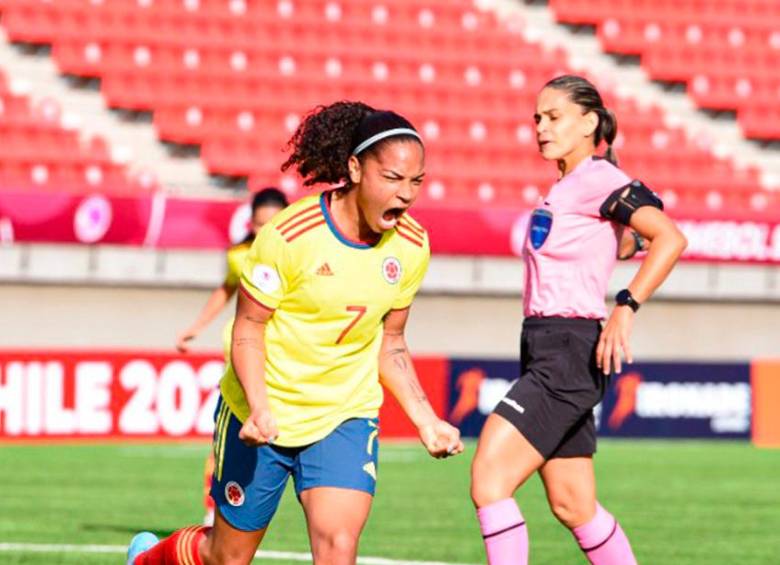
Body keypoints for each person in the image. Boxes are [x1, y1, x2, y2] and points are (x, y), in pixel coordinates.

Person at [127, 101, 464, 565]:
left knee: (338, 547)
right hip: (264, 412)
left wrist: (427, 419)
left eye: (416, 182)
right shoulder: (290, 236)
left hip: (344, 414)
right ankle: (147, 559)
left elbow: (392, 342)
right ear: (355, 169)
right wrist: (260, 409)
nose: (406, 195)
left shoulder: (412, 245)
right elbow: (248, 328)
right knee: (225, 556)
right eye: (392, 178)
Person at [470, 75, 687, 565]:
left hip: (568, 351)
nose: (542, 128)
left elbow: (670, 238)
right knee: (573, 504)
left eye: (554, 116)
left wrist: (626, 307)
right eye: (537, 119)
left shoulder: (599, 178)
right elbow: (628, 240)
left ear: (589, 121)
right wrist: (623, 244)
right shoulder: (571, 187)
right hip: (548, 346)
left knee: (489, 478)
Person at [176, 187, 289, 527]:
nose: (265, 230)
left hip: (288, 363)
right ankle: (215, 508)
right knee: (227, 437)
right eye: (259, 223)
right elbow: (226, 289)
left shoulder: (302, 256)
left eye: (273, 223)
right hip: (244, 359)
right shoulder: (239, 256)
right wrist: (196, 326)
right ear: (250, 223)